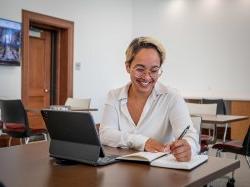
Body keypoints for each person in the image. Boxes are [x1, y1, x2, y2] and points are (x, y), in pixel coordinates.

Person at [99, 36, 199, 161]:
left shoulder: (172, 97)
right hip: (121, 168)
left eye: (154, 70)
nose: (147, 77)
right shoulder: (114, 96)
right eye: (140, 69)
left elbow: (190, 136)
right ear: (128, 67)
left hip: (159, 172)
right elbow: (105, 134)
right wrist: (144, 142)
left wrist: (188, 147)